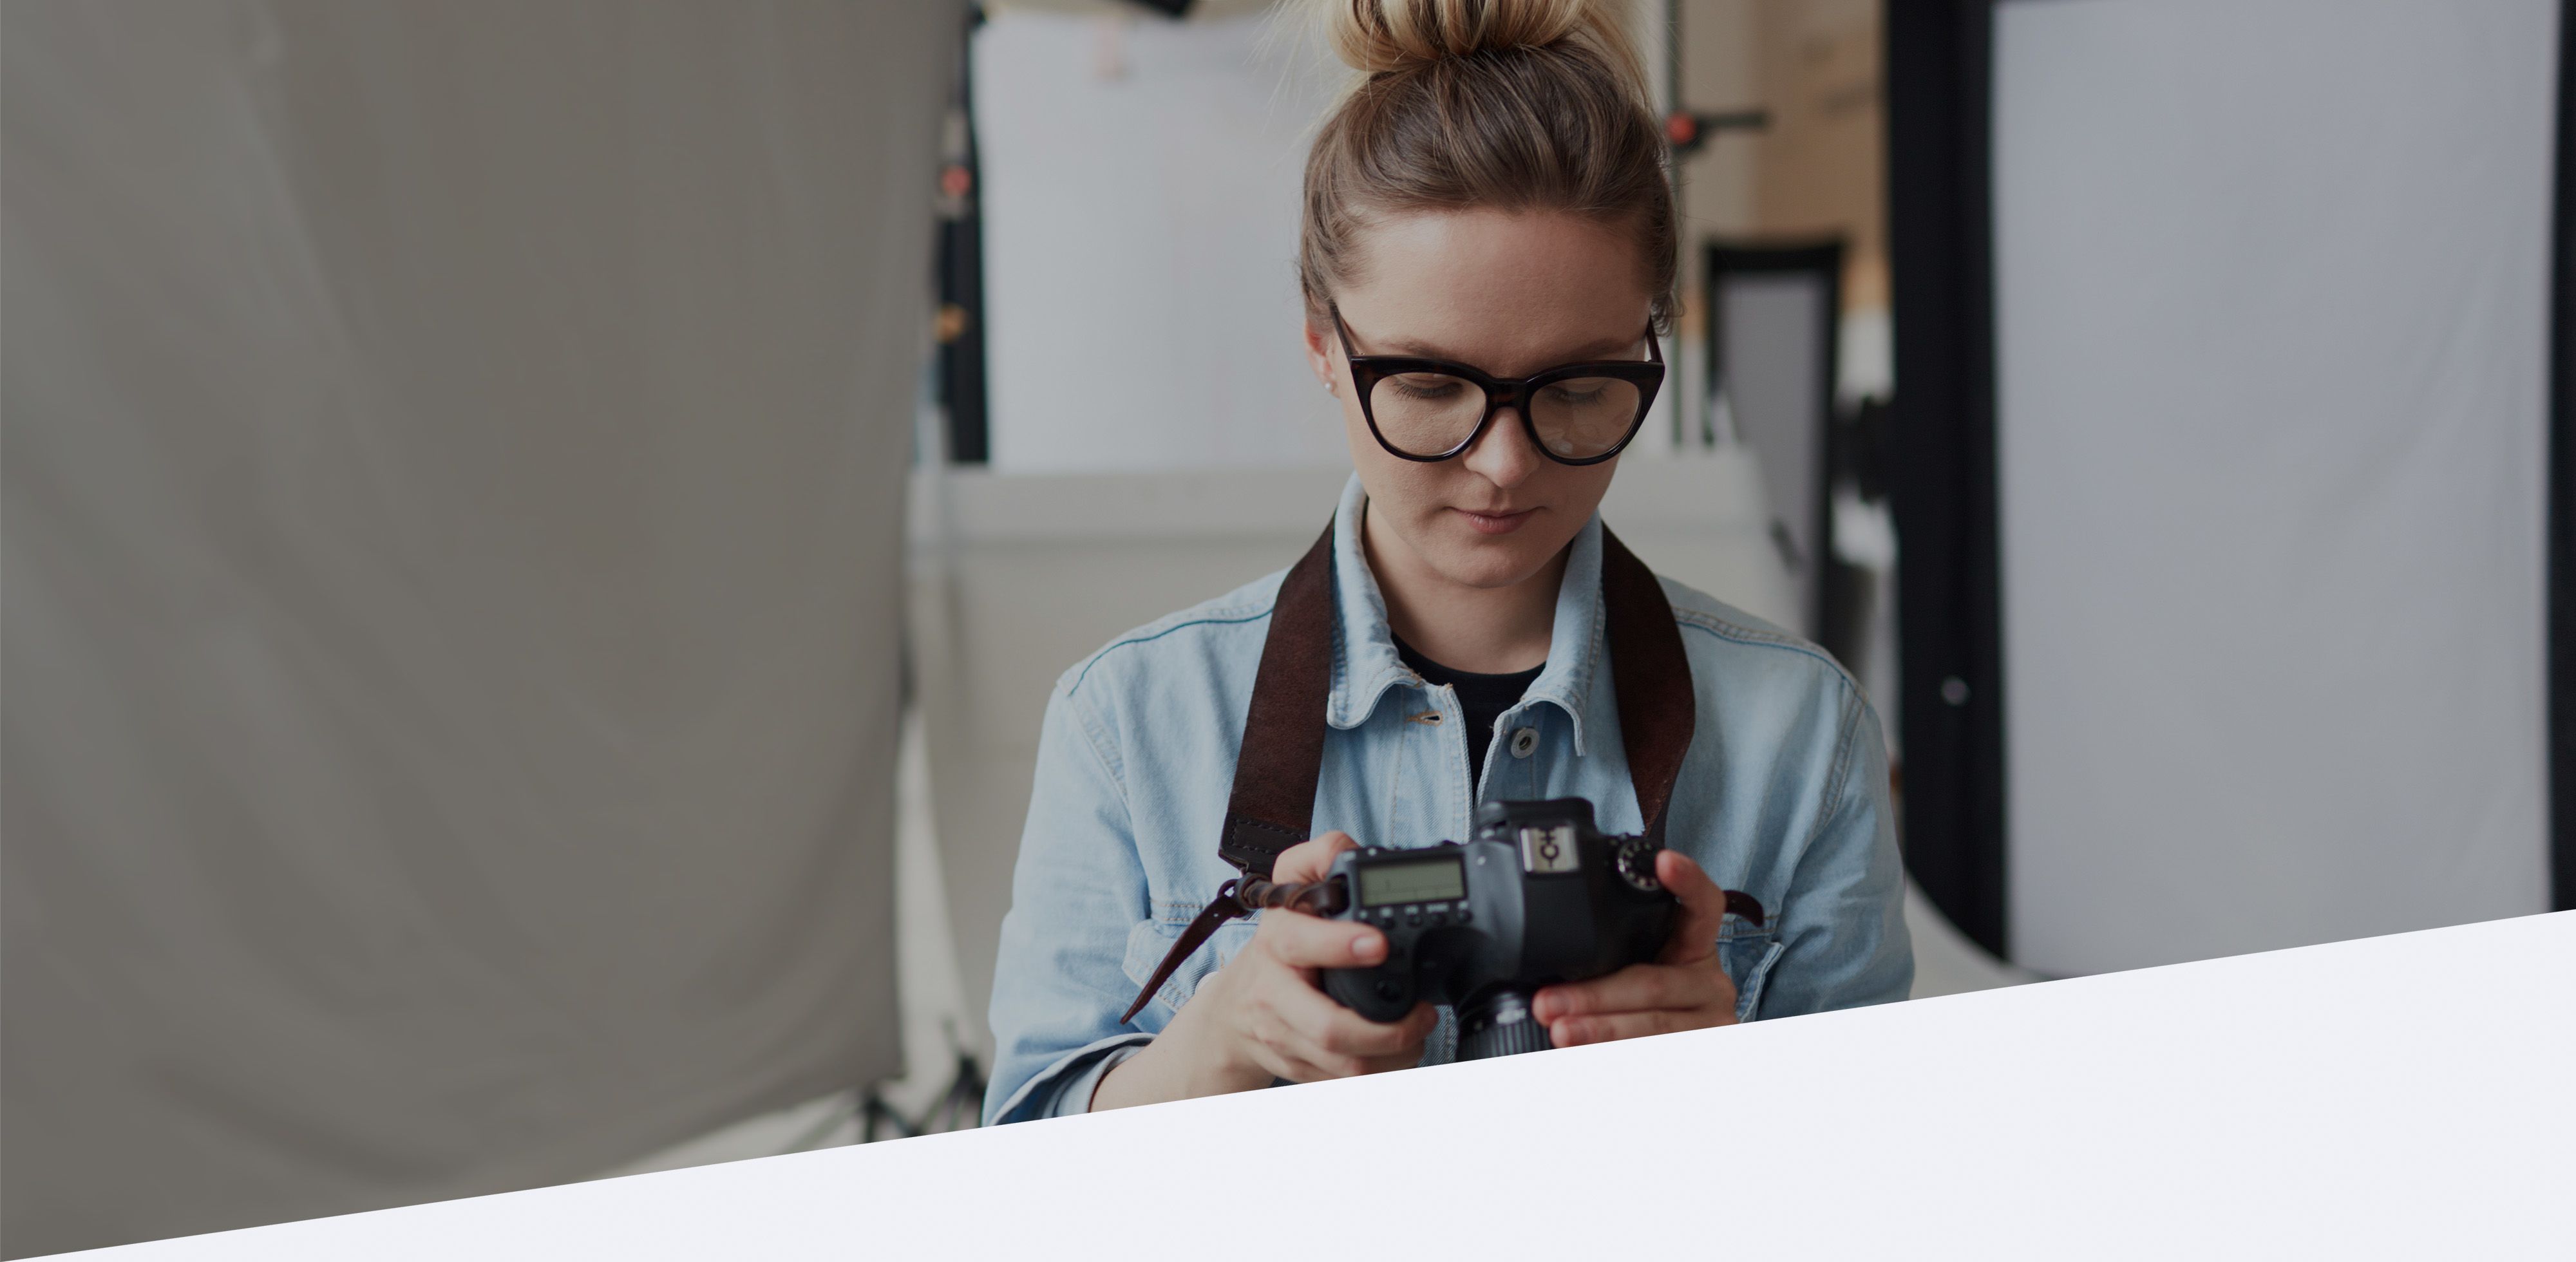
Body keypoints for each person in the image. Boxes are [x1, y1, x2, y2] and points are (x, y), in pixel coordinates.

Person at [981, 0, 1910, 1125]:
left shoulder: (1800, 740)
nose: (1504, 466)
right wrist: (1218, 1047)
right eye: (1429, 388)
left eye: (1577, 388)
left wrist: (1744, 1088)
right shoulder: (1128, 727)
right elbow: (1021, 1152)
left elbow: (1883, 1176)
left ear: (1652, 340)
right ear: (1323, 341)